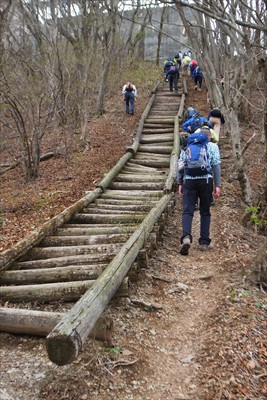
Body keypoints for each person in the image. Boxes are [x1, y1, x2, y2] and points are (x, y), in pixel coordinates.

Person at [178, 128, 221, 256]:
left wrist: (180, 182)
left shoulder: (188, 146)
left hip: (189, 181)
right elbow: (216, 166)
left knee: (187, 210)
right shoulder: (212, 147)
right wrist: (217, 185)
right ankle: (204, 242)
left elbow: (181, 166)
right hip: (206, 181)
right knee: (205, 211)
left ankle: (186, 237)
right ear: (208, 137)